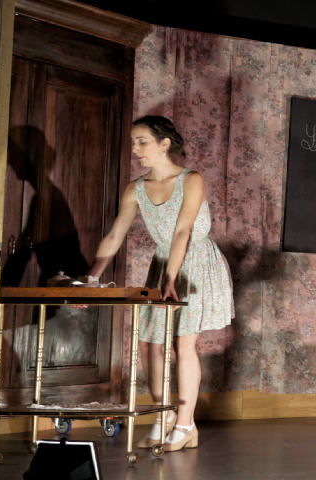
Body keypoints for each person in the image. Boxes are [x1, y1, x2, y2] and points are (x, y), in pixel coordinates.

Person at [85, 115, 234, 451]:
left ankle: (185, 425)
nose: (136, 149)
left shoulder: (191, 180)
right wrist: (92, 277)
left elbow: (183, 231)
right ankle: (165, 415)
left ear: (164, 144)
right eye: (133, 143)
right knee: (148, 343)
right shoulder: (135, 189)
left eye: (143, 142)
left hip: (194, 263)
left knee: (183, 344)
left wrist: (171, 279)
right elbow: (115, 235)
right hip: (164, 263)